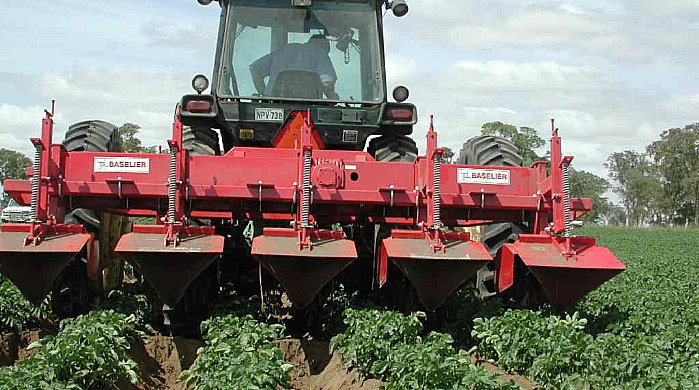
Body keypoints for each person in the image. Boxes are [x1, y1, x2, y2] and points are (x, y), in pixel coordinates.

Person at [250, 35, 339, 100]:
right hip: (306, 106)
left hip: (272, 103)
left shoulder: (284, 50)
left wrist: (264, 94)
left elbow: (255, 69)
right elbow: (327, 84)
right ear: (323, 45)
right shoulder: (320, 53)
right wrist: (332, 97)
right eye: (327, 51)